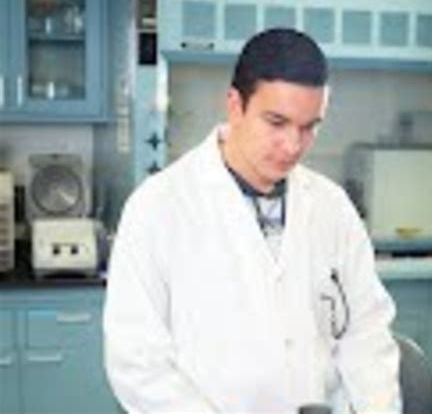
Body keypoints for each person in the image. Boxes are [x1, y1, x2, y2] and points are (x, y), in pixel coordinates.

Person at [103, 28, 401, 414]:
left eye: (309, 127)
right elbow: (138, 363)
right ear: (235, 105)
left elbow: (367, 334)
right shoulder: (158, 208)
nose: (293, 145)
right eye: (276, 122)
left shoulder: (332, 208)